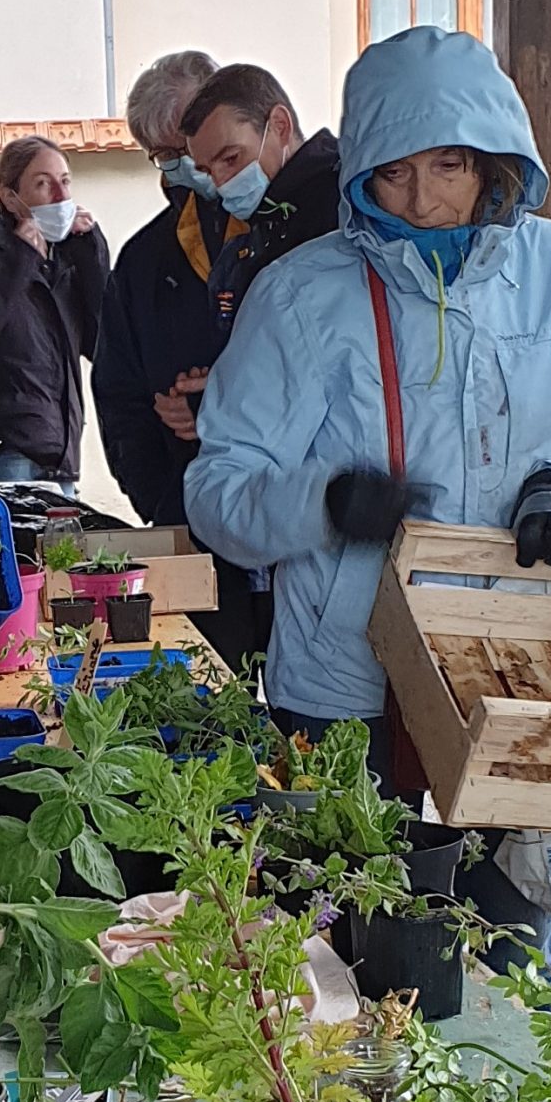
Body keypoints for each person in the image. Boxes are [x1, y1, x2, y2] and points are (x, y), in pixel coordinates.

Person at [185, 24, 551, 949]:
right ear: (358, 174)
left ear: (492, 162)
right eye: (392, 174)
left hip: (515, 670)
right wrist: (319, 503)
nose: (422, 201)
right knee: (354, 945)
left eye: (446, 167)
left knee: (510, 941)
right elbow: (219, 486)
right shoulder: (301, 294)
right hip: (347, 685)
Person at [95, 51, 341, 669]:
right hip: (201, 522)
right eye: (168, 157)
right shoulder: (145, 259)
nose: (193, 170)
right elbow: (118, 391)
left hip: (310, 531)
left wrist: (224, 400)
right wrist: (163, 502)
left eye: (202, 149)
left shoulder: (315, 220)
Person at [0, 136, 109, 497]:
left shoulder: (64, 257)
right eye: (43, 184)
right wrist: (17, 263)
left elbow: (102, 344)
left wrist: (92, 256)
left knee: (59, 553)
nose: (61, 196)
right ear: (11, 197)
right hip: (4, 451)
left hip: (60, 455)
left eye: (66, 181)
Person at [181, 59, 342, 339]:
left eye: (231, 158)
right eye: (207, 171)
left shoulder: (345, 200)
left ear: (280, 126)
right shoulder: (267, 219)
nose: (221, 183)